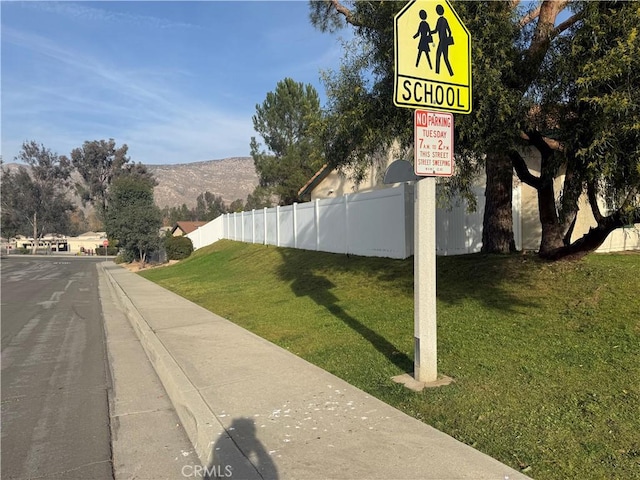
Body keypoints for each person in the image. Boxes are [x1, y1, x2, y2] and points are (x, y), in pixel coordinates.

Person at [434, 4, 454, 76]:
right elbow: (450, 31)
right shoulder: (445, 20)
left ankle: (437, 72)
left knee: (438, 56)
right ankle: (450, 73)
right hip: (444, 41)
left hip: (442, 41)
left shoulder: (439, 20)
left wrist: (429, 32)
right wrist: (448, 38)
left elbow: (436, 30)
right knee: (445, 58)